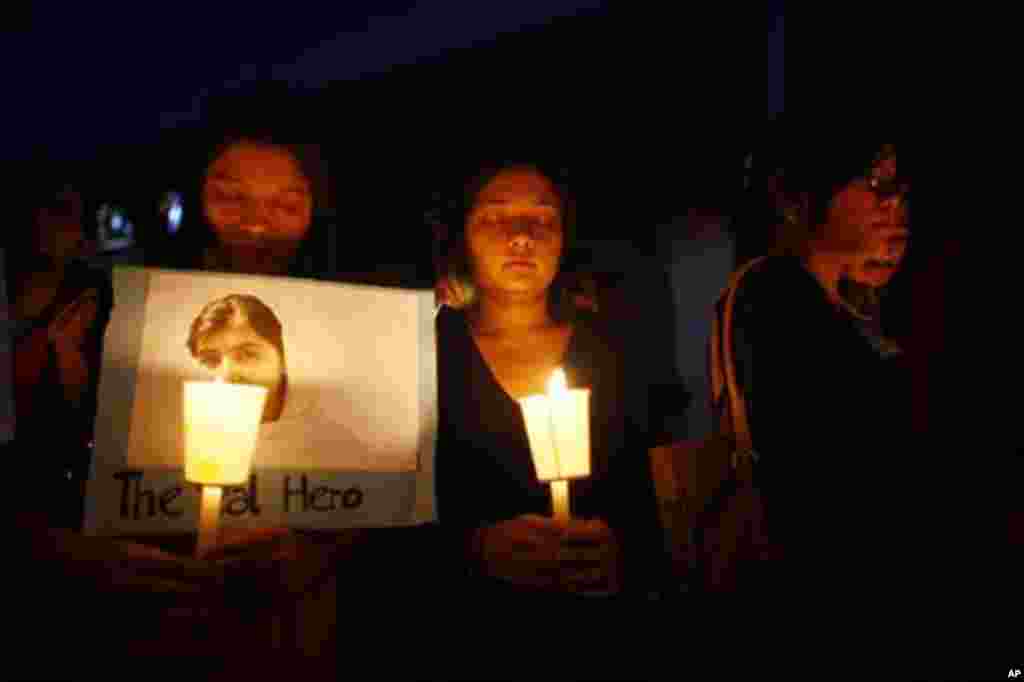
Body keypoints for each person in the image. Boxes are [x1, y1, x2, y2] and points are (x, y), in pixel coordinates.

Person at [432, 161, 670, 603]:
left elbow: (664, 499)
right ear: (461, 234)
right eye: (495, 217)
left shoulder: (617, 352)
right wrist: (472, 550)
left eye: (543, 219)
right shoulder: (421, 354)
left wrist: (625, 553)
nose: (521, 236)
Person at [721, 136, 928, 603]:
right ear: (800, 197)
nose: (893, 201)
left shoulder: (845, 303)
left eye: (898, 186)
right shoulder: (775, 296)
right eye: (875, 182)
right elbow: (841, 477)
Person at [186, 293, 372, 469]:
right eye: (211, 360)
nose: (227, 375)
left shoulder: (336, 447)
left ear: (282, 359)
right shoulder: (196, 441)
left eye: (248, 354)